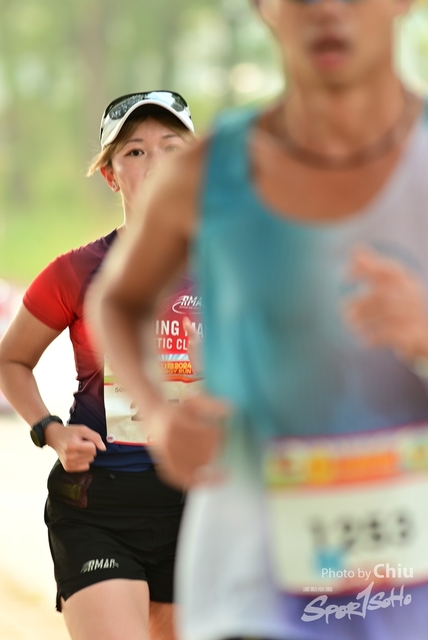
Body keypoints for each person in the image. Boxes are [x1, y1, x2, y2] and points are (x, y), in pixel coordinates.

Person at [87, 0, 428, 639]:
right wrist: (160, 414)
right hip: (251, 586)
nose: (328, 10)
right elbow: (117, 300)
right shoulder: (207, 171)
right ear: (263, 8)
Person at [0, 90, 197, 640]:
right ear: (111, 176)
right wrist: (50, 430)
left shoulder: (233, 267)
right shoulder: (76, 271)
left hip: (201, 511)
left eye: (172, 147)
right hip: (98, 507)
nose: (155, 162)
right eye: (135, 151)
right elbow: (11, 359)